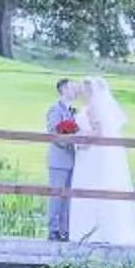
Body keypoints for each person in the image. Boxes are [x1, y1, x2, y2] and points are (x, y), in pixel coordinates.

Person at [63, 78, 135, 247]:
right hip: (89, 154)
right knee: (89, 189)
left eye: (84, 89)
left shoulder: (93, 107)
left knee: (90, 188)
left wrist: (81, 140)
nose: (81, 92)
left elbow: (99, 132)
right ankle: (89, 230)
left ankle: (92, 230)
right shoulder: (91, 106)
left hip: (91, 153)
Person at [42, 78, 82, 242]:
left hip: (72, 159)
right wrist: (70, 141)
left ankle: (65, 230)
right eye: (73, 88)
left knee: (67, 196)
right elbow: (54, 132)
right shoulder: (55, 109)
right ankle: (53, 229)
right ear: (64, 90)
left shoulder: (72, 111)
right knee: (56, 195)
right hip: (58, 159)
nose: (76, 91)